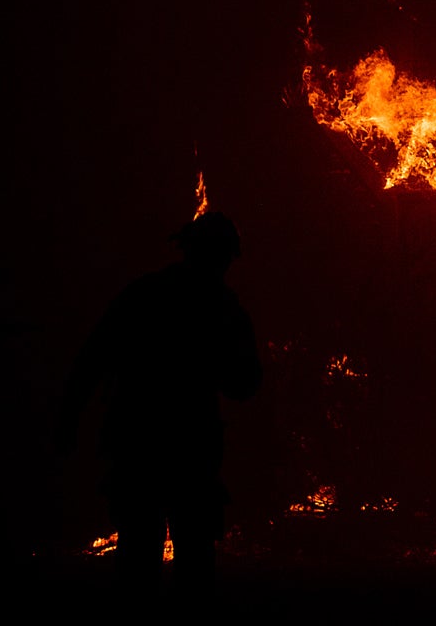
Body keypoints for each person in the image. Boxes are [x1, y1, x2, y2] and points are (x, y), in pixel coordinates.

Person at [58, 211, 262, 596]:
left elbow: (92, 359)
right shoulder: (223, 306)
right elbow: (245, 383)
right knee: (194, 555)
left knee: (138, 550)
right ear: (223, 256)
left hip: (138, 441)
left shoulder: (143, 294)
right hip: (189, 447)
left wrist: (69, 419)